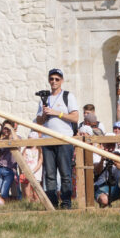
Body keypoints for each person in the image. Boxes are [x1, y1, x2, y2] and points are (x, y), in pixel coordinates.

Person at [35, 67, 79, 209]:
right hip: (48, 140)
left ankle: (66, 203)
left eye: (57, 79)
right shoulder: (45, 98)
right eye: (51, 79)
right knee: (50, 174)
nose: (54, 81)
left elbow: (75, 117)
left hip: (64, 140)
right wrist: (44, 116)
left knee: (65, 173)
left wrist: (57, 113)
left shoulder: (68, 96)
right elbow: (39, 121)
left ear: (62, 81)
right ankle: (52, 203)